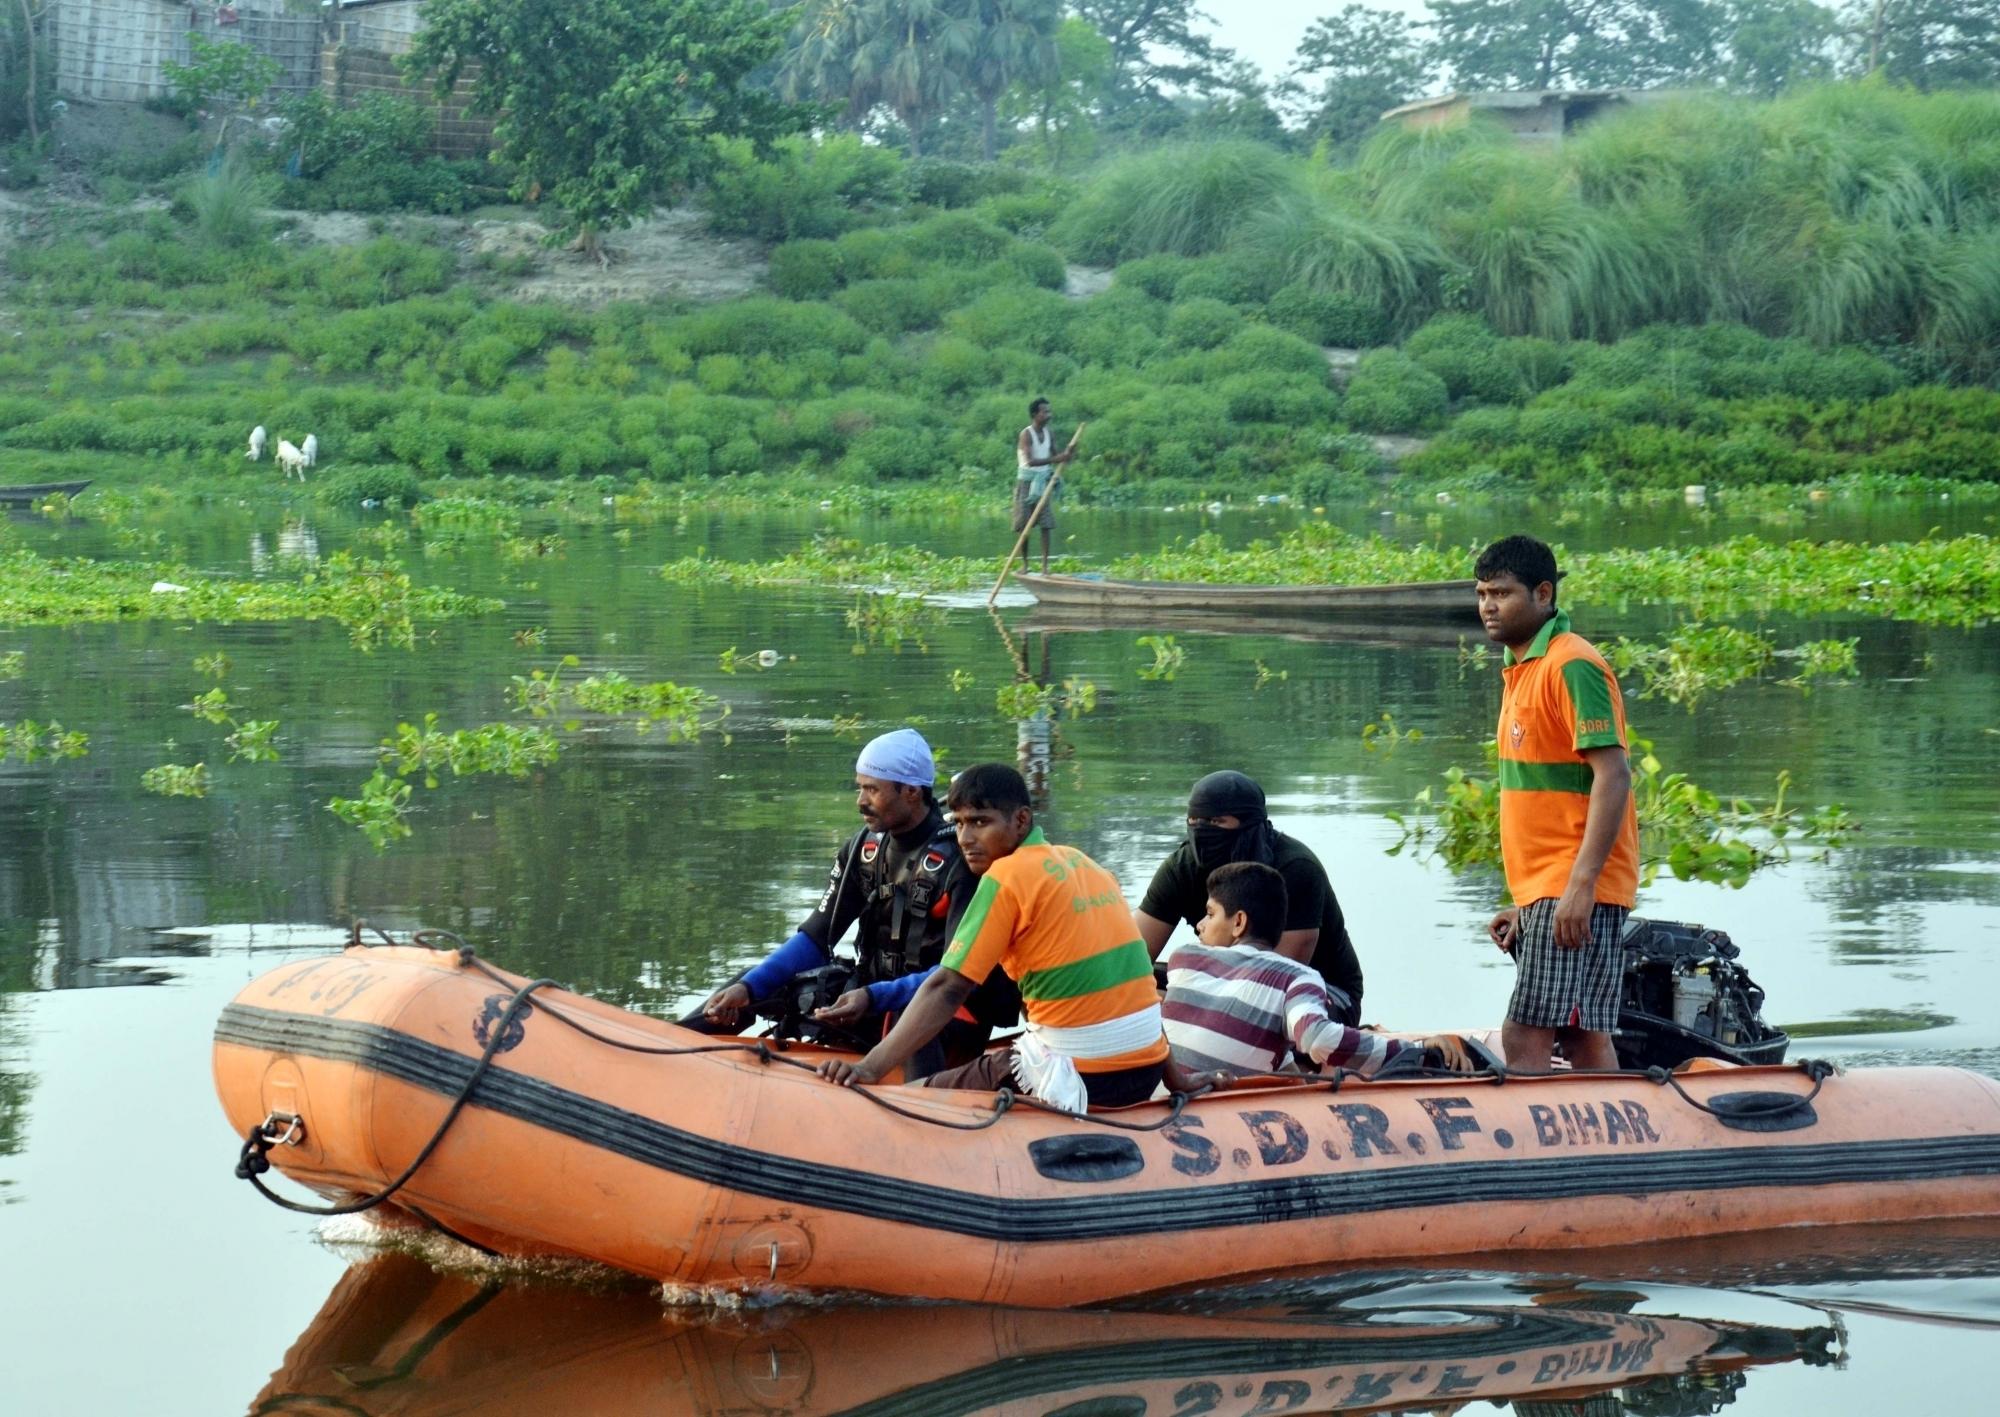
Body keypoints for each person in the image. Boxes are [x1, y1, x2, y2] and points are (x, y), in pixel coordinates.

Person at [818, 763, 1171, 1110]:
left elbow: (948, 987)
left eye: (980, 822)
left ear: (1020, 820)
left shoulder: (1006, 877)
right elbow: (1137, 988)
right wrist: (1177, 1080)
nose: (965, 839)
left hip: (1083, 1078)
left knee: (916, 1095)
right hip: (1147, 1070)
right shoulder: (1087, 866)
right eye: (958, 823)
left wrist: (868, 1068)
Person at [689, 729, 1016, 1072]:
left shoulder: (961, 862)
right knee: (755, 983)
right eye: (860, 787)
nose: (860, 800)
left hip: (942, 1008)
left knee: (911, 1010)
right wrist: (749, 987)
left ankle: (920, 1108)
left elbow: (956, 979)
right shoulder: (863, 851)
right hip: (870, 997)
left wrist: (875, 997)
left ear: (911, 792)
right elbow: (817, 937)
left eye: (872, 789)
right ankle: (669, 1051)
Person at [1474, 535, 1640, 1074]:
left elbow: (1612, 775)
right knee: (1582, 1033)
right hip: (1548, 888)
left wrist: (1579, 886)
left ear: (1544, 594)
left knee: (1525, 1031)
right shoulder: (1521, 667)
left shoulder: (1573, 664)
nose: (1489, 606)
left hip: (1573, 883)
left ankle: (1533, 1151)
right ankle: (1617, 1147)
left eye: (1502, 593)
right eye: (1481, 594)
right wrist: (1527, 902)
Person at [1163, 862, 1467, 1079]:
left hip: (1172, 1096)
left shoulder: (1184, 959)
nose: (1200, 925)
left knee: (1285, 1062)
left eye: (1210, 913)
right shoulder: (1295, 977)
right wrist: (1414, 1050)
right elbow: (1318, 1039)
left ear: (1239, 922)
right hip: (1222, 1107)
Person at [1135, 771, 1365, 1024]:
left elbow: (1274, 983)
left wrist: (1177, 1001)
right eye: (1194, 820)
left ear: (1249, 822)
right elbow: (1133, 956)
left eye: (1215, 822)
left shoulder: (1296, 868)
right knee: (1131, 979)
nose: (1202, 831)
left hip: (1314, 993)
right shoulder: (1183, 867)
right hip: (1222, 979)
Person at [1014, 397, 1071, 574]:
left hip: (1044, 482)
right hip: (1027, 482)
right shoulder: (1026, 434)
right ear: (1034, 415)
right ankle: (1025, 565)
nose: (1048, 415)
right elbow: (1030, 461)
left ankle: (1045, 567)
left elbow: (1056, 456)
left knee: (1045, 524)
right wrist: (1056, 459)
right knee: (1024, 524)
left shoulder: (1049, 433)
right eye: (1044, 412)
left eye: (1049, 411)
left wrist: (1069, 453)